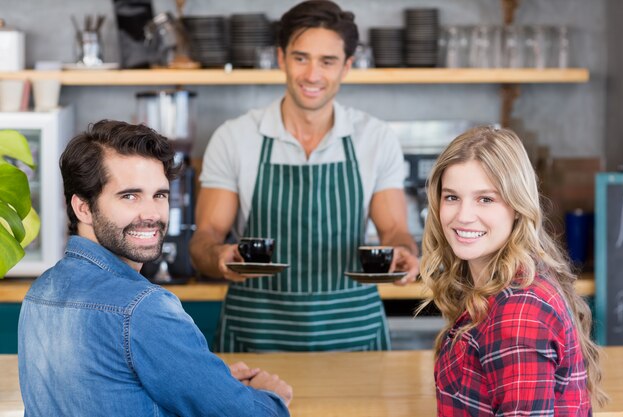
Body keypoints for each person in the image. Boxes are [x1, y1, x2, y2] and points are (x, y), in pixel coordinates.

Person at [18, 120, 292, 416]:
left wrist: (207, 380)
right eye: (130, 196)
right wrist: (269, 396)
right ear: (83, 207)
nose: (151, 214)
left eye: (159, 195)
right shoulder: (143, 309)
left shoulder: (39, 292)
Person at [189, 0, 419, 353]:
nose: (312, 75)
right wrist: (219, 256)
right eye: (301, 58)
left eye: (327, 61)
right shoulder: (235, 137)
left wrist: (403, 253)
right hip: (256, 336)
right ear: (281, 58)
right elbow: (204, 238)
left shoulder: (374, 137)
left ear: (347, 67)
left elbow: (394, 231)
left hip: (354, 335)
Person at [417, 125, 608, 415]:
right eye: (452, 197)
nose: (463, 216)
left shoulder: (519, 312)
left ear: (518, 206)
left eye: (486, 199)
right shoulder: (506, 286)